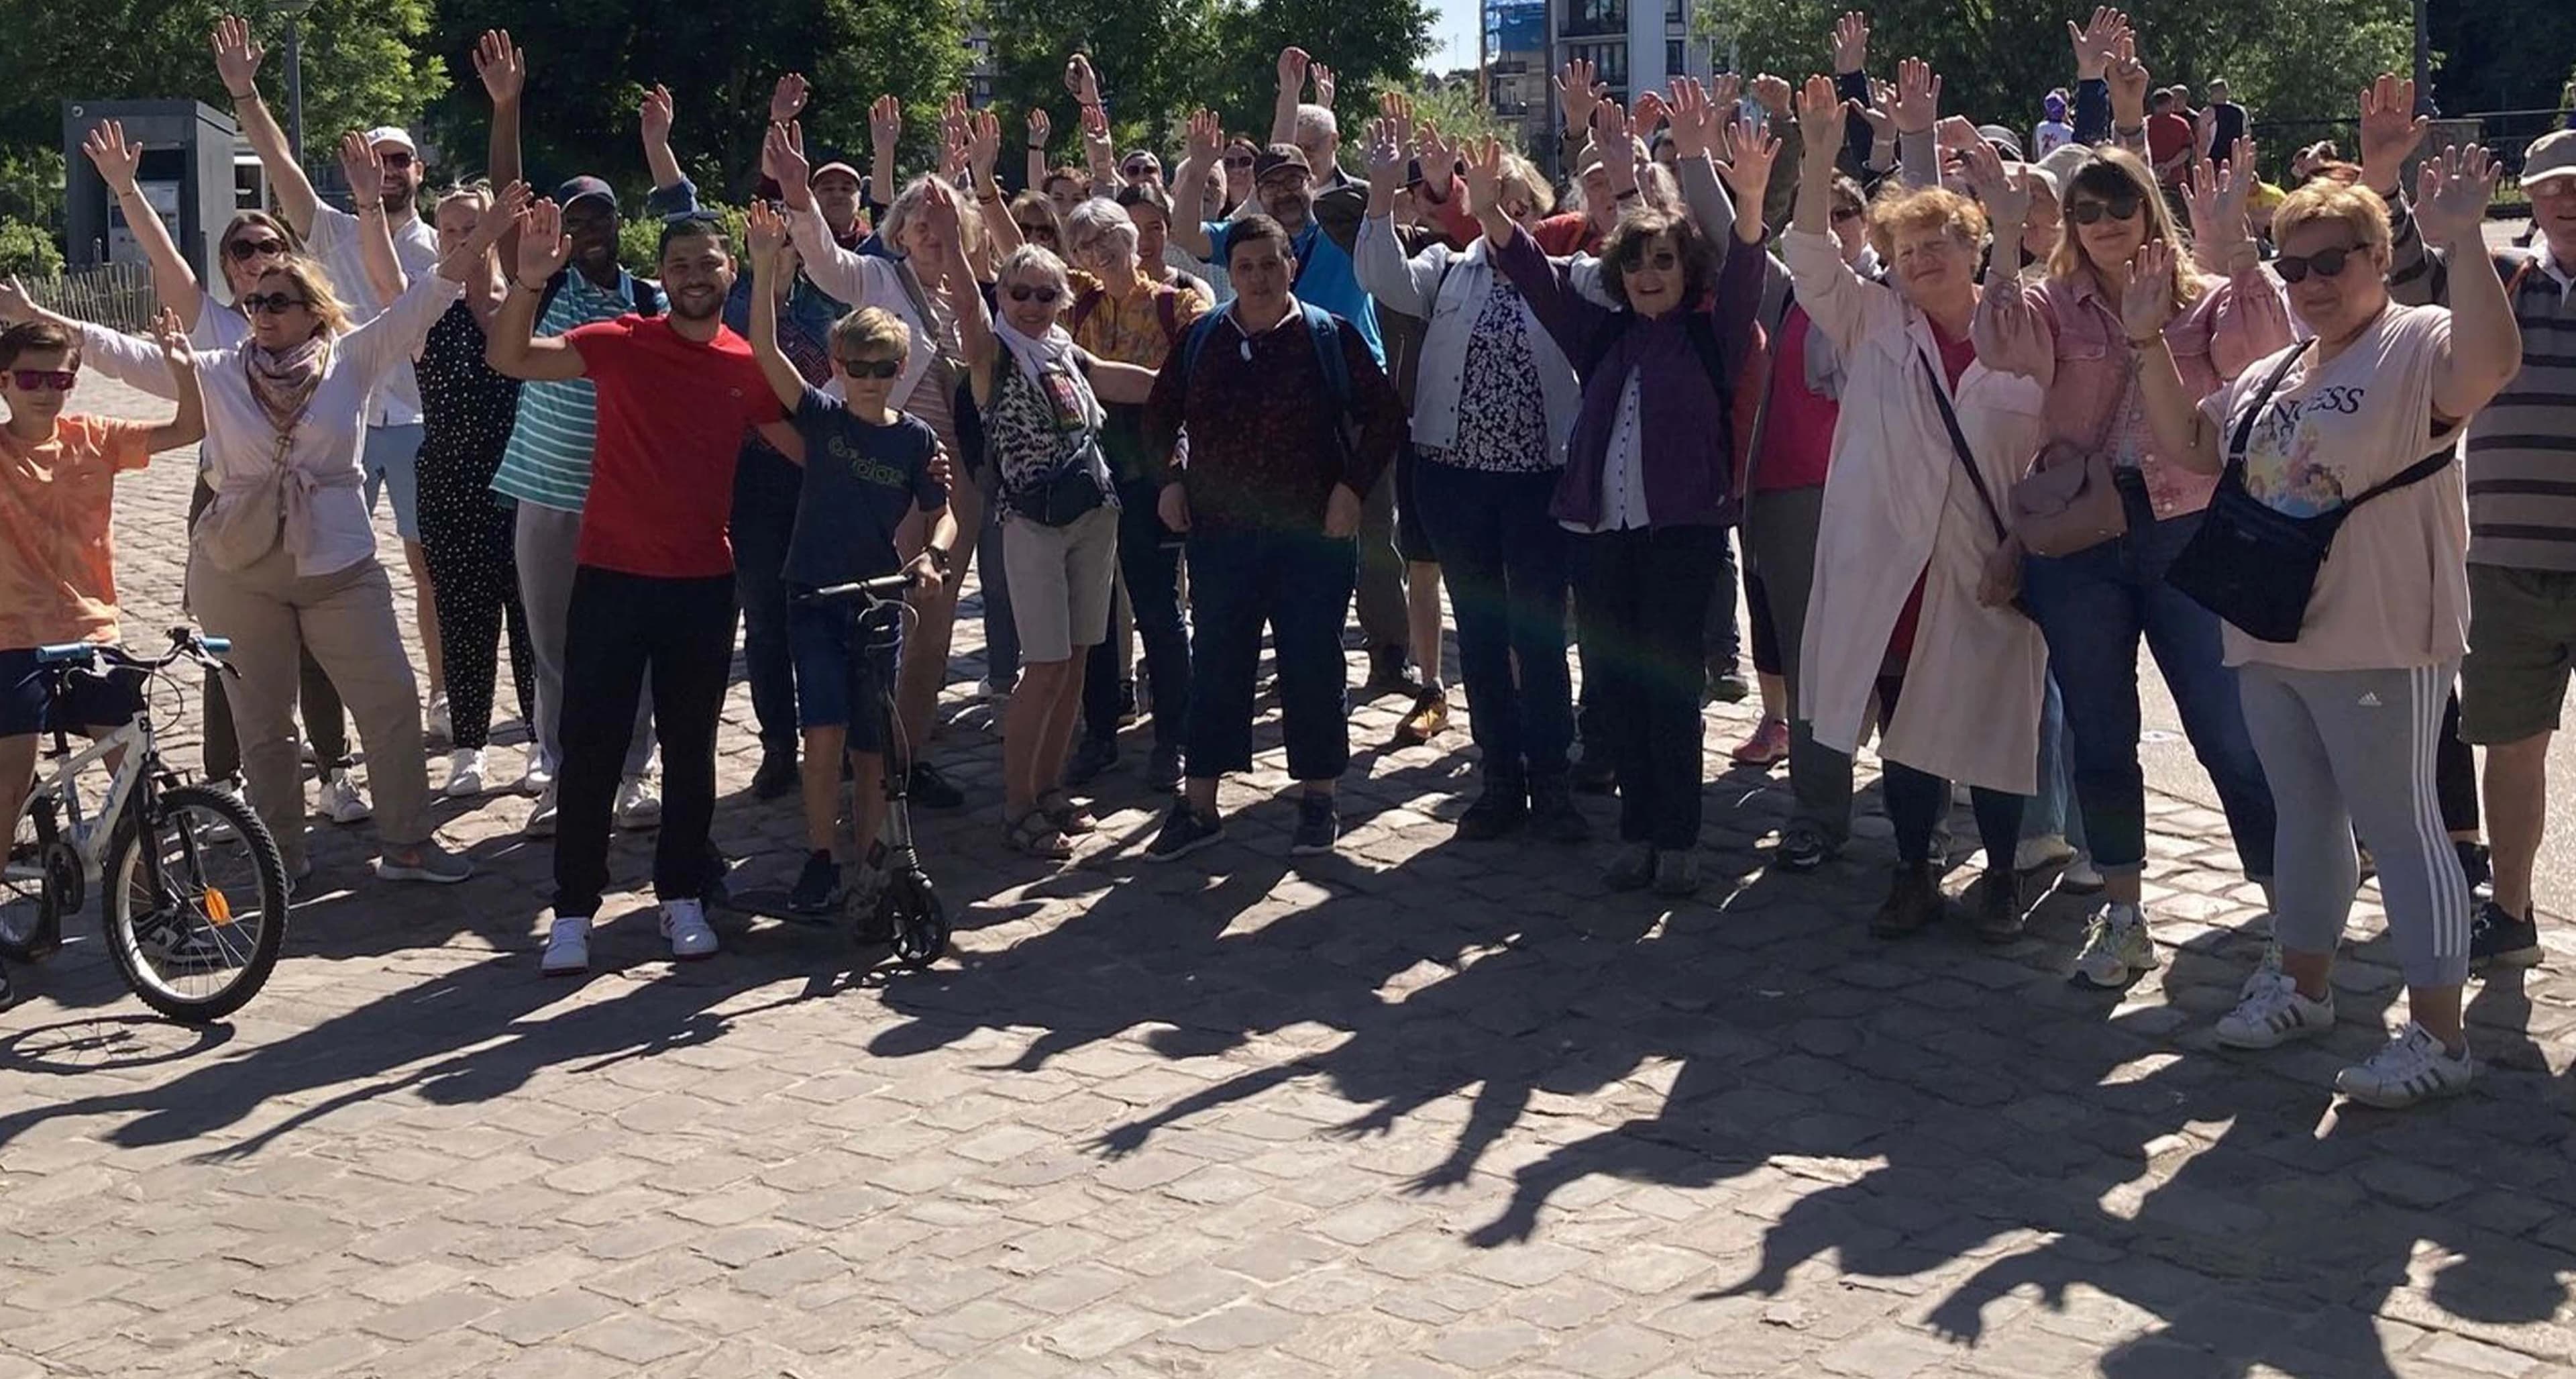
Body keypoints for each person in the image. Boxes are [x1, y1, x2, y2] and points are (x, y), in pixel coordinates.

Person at [2131, 152, 2522, 1109]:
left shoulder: (2416, 340)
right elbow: (2190, 446)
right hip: (2270, 630)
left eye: (2330, 261)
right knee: (2306, 815)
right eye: (2292, 265)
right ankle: (2303, 983)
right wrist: (2147, 343)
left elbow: (2490, 365)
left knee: (2401, 824)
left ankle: (2439, 1032)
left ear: (2378, 256)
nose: (2309, 283)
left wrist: (2465, 236)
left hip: (2384, 630)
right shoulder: (2273, 370)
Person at [1968, 140, 2290, 988]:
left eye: (2121, 205)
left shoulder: (2207, 300)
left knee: (2228, 731)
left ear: (2151, 208)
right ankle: (2123, 914)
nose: (2106, 223)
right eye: (2087, 209)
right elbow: (1999, 345)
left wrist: (2239, 246)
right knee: (2102, 731)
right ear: (2069, 222)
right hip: (2083, 539)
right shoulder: (2051, 304)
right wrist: (2006, 234)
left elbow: (2265, 351)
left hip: (2186, 530)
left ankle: (2287, 912)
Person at [98, 225, 506, 886]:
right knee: (263, 724)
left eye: (277, 302)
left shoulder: (352, 357)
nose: (260, 314)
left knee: (391, 703)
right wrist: (37, 318)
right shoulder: (218, 370)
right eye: (255, 303)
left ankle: (407, 845)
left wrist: (486, 239)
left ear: (313, 308)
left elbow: (427, 297)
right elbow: (123, 356)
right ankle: (281, 858)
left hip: (339, 569)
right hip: (238, 571)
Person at [489, 203, 798, 974]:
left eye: (709, 263)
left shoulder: (745, 363)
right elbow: (513, 358)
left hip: (701, 584)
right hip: (612, 578)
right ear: (660, 277)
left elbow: (809, 447)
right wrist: (527, 281)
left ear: (733, 271)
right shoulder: (622, 343)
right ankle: (572, 909)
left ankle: (681, 896)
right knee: (591, 749)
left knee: (692, 752)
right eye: (681, 265)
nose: (696, 277)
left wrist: (906, 467)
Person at [1784, 74, 2049, 942]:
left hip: (1990, 560)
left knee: (1997, 720)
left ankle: (2004, 875)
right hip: (1894, 564)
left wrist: (2034, 541)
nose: (1924, 258)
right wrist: (1820, 154)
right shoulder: (1874, 324)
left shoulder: (2023, 326)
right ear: (1891, 262)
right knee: (1904, 723)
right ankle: (1913, 868)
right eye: (1908, 248)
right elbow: (1812, 255)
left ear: (1976, 246)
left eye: (1941, 241)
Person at [1484, 86, 1766, 897]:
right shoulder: (1601, 333)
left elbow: (1747, 272)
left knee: (1670, 692)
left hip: (1682, 538)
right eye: (1636, 262)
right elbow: (1537, 280)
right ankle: (1638, 833)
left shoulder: (1712, 336)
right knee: (1618, 689)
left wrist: (1745, 200)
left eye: (1664, 261)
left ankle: (1677, 838)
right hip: (1603, 538)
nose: (1648, 274)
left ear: (1687, 272)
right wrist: (1490, 216)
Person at [71, 121, 362, 822]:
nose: (256, 259)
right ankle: (228, 779)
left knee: (317, 644)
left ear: (288, 256)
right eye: (242, 249)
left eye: (269, 246)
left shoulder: (321, 331)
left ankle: (333, 770)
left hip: (314, 498)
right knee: (224, 641)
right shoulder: (212, 325)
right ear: (228, 265)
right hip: (226, 494)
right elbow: (162, 254)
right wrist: (123, 189)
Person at [1142, 215, 1405, 862]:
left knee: (1312, 664)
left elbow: (1385, 417)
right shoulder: (1203, 338)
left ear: (1292, 265)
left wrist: (1351, 489)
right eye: (1246, 267)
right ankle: (1199, 804)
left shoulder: (1327, 335)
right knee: (1219, 665)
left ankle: (1318, 798)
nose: (1259, 277)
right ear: (1229, 274)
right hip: (1222, 536)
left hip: (1312, 534)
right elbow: (1158, 416)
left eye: (1270, 263)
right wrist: (1170, 480)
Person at [215, 16, 449, 742]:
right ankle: (327, 733)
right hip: (333, 424)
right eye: (376, 158)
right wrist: (247, 95)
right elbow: (278, 161)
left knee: (427, 567)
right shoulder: (329, 231)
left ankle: (442, 692)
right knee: (313, 566)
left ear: (420, 171)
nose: (387, 169)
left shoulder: (440, 247)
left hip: (413, 424)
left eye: (400, 159)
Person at [2383, 101, 2576, 972]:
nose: (2569, 197)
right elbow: (2404, 287)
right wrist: (2387, 183)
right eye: (2553, 185)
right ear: (2529, 197)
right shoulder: (2499, 279)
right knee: (2511, 745)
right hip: (2506, 559)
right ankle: (2514, 907)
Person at [1356, 120, 1585, 844]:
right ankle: (1499, 778)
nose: (1506, 215)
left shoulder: (1566, 273)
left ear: (1536, 211)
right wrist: (1386, 190)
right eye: (1493, 201)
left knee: (1540, 633)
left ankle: (1551, 778)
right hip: (1455, 481)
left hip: (1538, 483)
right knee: (1482, 633)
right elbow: (1380, 277)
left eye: (1518, 203)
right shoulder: (1448, 269)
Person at [483, 64, 696, 837]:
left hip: (629, 506)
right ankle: (565, 773)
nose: (592, 226)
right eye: (577, 216)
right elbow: (507, 209)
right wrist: (507, 108)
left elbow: (692, 233)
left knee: (629, 646)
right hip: (547, 499)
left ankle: (633, 776)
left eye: (602, 211)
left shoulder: (649, 299)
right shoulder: (546, 291)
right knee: (554, 648)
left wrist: (659, 150)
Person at [773, 119, 996, 814]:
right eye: (921, 225)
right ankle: (853, 754)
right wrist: (796, 194)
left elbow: (987, 354)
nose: (933, 235)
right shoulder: (875, 277)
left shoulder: (970, 296)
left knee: (932, 625)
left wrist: (962, 233)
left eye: (946, 224)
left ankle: (909, 757)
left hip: (951, 471)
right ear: (897, 233)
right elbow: (822, 261)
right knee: (872, 615)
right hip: (873, 464)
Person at [741, 206, 956, 916]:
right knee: (823, 729)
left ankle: (871, 856)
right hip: (815, 593)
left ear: (901, 369)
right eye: (856, 368)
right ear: (838, 368)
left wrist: (931, 556)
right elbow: (765, 356)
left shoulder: (917, 439)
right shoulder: (824, 416)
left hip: (879, 599)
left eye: (881, 369)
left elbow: (942, 511)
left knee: (874, 741)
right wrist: (770, 265)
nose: (868, 380)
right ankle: (819, 855)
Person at [942, 204, 1162, 857]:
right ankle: (1017, 805)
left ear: (1062, 300)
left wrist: (1189, 386)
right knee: (1041, 667)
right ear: (1000, 296)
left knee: (1073, 662)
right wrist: (957, 245)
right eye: (1019, 293)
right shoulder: (992, 355)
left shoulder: (1063, 348)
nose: (1033, 304)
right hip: (1033, 520)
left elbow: (1120, 381)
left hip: (1092, 513)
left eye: (1045, 294)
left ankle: (1049, 789)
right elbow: (967, 310)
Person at [1, 315, 204, 917]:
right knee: (9, 784)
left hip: (93, 630)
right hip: (13, 635)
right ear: (5, 382)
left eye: (58, 380)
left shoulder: (96, 436)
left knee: (133, 779)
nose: (45, 390)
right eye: (30, 378)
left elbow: (189, 426)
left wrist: (182, 370)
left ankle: (151, 912)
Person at [1059, 197, 1208, 797]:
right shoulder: (1076, 303)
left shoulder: (1180, 305)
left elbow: (1200, 391)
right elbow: (1006, 246)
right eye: (1085, 243)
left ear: (1133, 238)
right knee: (1093, 613)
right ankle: (1100, 733)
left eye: (1108, 236)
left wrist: (1178, 477)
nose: (1101, 250)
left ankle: (1174, 735)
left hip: (1153, 469)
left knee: (1158, 609)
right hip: (1092, 469)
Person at [412, 181, 536, 799]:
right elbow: (383, 271)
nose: (465, 239)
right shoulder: (427, 308)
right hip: (451, 483)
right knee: (463, 617)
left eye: (475, 226)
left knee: (532, 617)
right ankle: (470, 744)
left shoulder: (524, 300)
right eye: (453, 230)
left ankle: (542, 740)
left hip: (525, 479)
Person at [2204, 79, 2248, 166]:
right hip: (2235, 159)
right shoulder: (2241, 112)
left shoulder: (2209, 112)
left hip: (2213, 159)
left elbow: (2203, 142)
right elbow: (2246, 135)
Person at [2033, 91, 2076, 162]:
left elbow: (2035, 154)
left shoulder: (2040, 128)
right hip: (2061, 170)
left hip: (2042, 166)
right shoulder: (2068, 132)